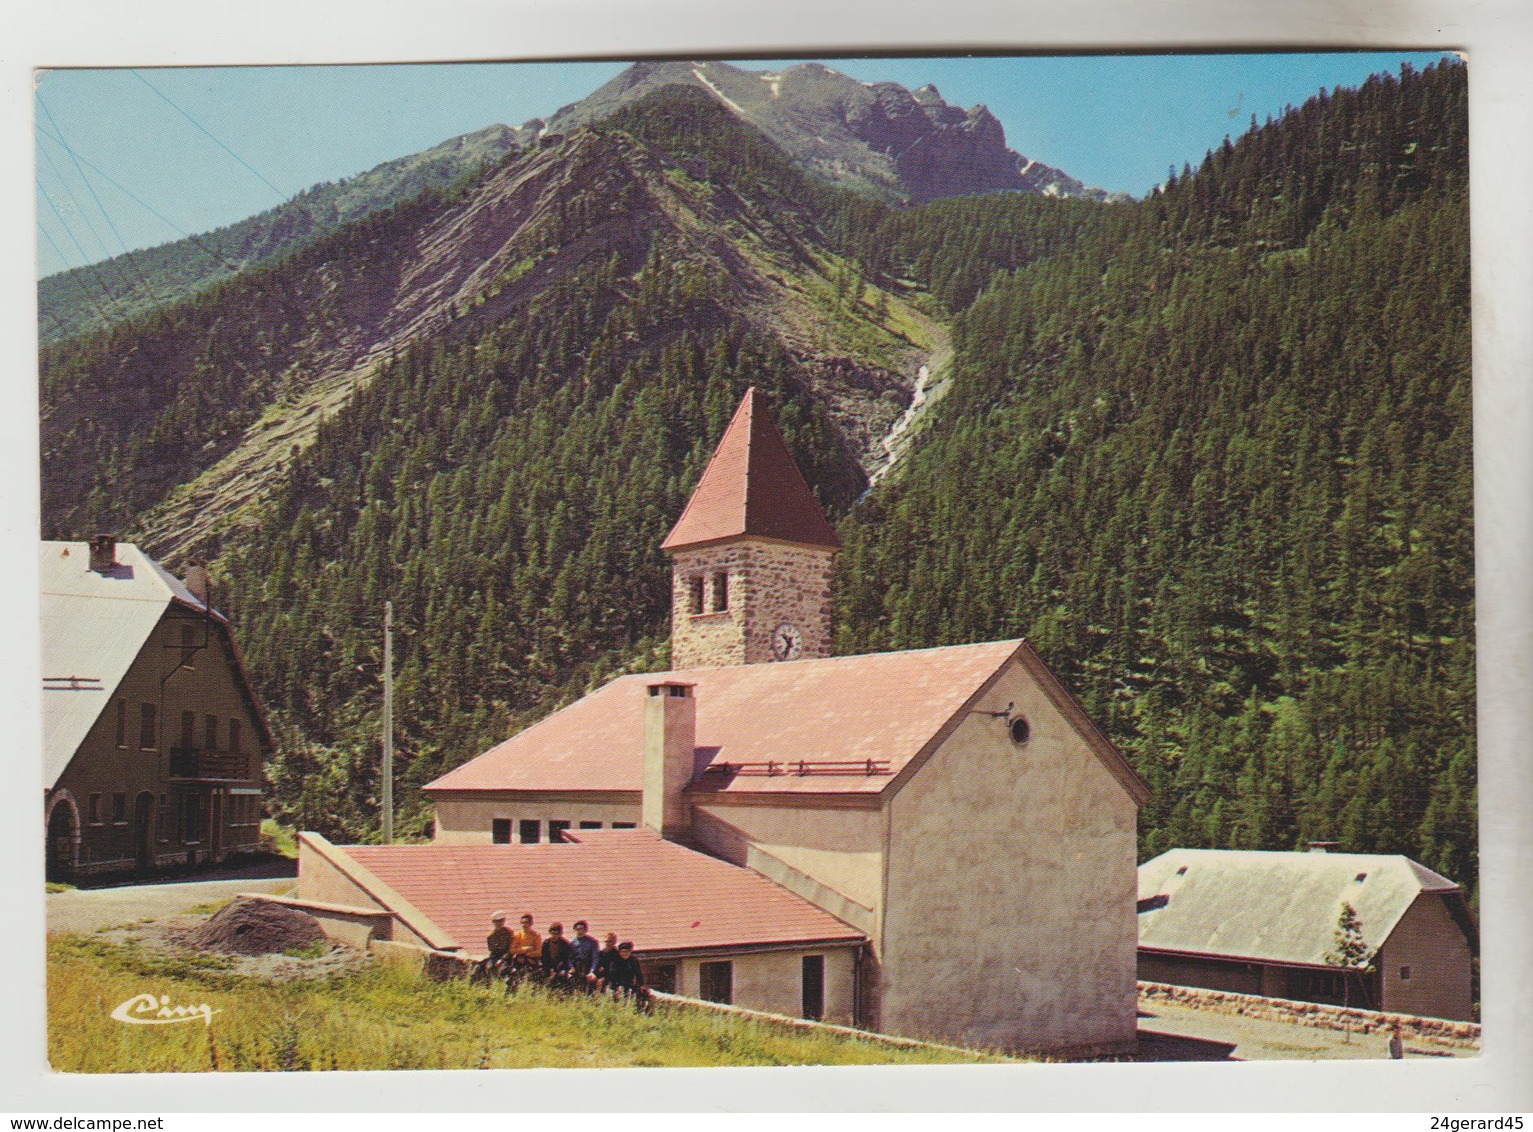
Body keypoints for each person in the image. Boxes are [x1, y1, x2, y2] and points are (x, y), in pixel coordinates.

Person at [604, 940, 652, 1010]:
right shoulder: (615, 960)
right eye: (623, 952)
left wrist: (642, 985)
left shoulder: (633, 960)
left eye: (627, 952)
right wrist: (617, 986)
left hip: (629, 983)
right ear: (619, 952)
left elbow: (638, 973)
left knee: (639, 994)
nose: (625, 954)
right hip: (616, 983)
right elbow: (612, 974)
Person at [472, 912, 513, 985]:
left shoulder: (509, 933)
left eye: (501, 921)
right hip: (494, 957)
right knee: (480, 968)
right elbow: (491, 950)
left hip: (507, 957)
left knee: (504, 970)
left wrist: (502, 959)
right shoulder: (491, 936)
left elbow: (510, 949)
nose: (499, 923)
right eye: (496, 921)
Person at [541, 922, 575, 991]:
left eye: (556, 934)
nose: (554, 936)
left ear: (560, 934)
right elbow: (544, 958)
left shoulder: (565, 944)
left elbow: (566, 959)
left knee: (562, 975)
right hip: (548, 967)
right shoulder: (546, 943)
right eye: (552, 933)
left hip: (561, 967)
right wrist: (550, 969)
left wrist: (556, 970)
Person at [570, 920, 600, 992]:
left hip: (587, 966)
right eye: (577, 929)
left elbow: (595, 957)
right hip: (576, 967)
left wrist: (592, 970)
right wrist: (571, 967)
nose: (579, 931)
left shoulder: (592, 942)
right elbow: (569, 957)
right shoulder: (572, 943)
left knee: (588, 988)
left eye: (581, 929)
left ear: (586, 930)